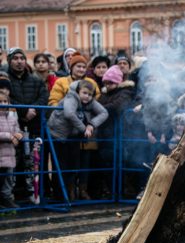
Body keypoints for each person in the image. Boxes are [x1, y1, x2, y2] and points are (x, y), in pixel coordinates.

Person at [47, 80, 107, 200]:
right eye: (84, 93)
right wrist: (84, 129)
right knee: (60, 166)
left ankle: (70, 194)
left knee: (73, 165)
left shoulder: (90, 101)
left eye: (90, 94)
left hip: (72, 135)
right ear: (78, 91)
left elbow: (104, 112)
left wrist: (92, 125)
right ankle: (59, 197)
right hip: (58, 135)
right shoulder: (71, 97)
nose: (87, 96)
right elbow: (69, 113)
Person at [6, 48, 48, 203]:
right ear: (10, 61)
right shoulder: (5, 79)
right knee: (13, 160)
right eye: (15, 58)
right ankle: (13, 193)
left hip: (33, 125)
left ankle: (33, 192)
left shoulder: (35, 80)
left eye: (22, 58)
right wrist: (24, 111)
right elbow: (6, 98)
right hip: (12, 125)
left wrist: (33, 110)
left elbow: (44, 97)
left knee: (32, 160)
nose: (19, 61)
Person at [96, 65, 135, 198]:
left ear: (118, 82)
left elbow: (116, 106)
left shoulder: (125, 92)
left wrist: (101, 110)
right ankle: (112, 191)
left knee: (121, 163)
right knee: (106, 163)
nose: (107, 85)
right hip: (106, 134)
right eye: (106, 82)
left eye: (111, 82)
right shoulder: (104, 94)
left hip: (119, 134)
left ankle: (123, 191)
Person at [0, 91, 23, 209]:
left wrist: (19, 135)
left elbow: (17, 129)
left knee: (8, 178)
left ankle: (6, 199)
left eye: (5, 101)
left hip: (9, 154)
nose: (3, 104)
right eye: (0, 102)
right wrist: (10, 137)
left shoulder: (12, 117)